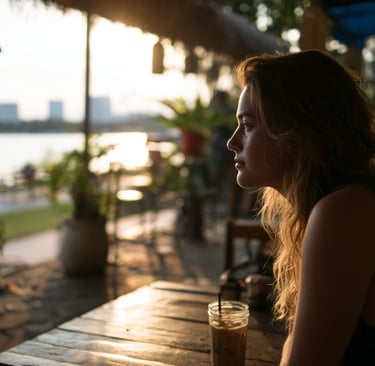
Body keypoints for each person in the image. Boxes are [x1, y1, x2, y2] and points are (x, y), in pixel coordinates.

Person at [227, 50, 375, 365]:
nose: (233, 141)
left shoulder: (344, 211)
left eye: (248, 125)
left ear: (294, 132)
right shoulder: (330, 206)